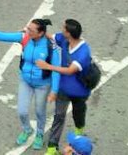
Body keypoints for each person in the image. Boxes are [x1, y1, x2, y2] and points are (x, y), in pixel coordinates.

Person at [0, 19, 56, 149]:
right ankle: (27, 129)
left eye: (31, 30)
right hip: (26, 81)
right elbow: (4, 36)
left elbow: (56, 68)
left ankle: (40, 134)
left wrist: (55, 90)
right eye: (28, 28)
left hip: (43, 84)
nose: (27, 31)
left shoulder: (50, 45)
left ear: (40, 33)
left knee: (39, 111)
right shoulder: (25, 38)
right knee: (22, 111)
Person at [37, 19, 93, 155]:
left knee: (77, 112)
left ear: (69, 33)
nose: (61, 29)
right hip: (64, 88)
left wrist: (48, 66)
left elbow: (70, 70)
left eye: (63, 28)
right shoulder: (64, 39)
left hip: (80, 90)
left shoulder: (83, 52)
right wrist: (33, 32)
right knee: (59, 115)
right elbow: (50, 36)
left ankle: (79, 128)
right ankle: (52, 146)